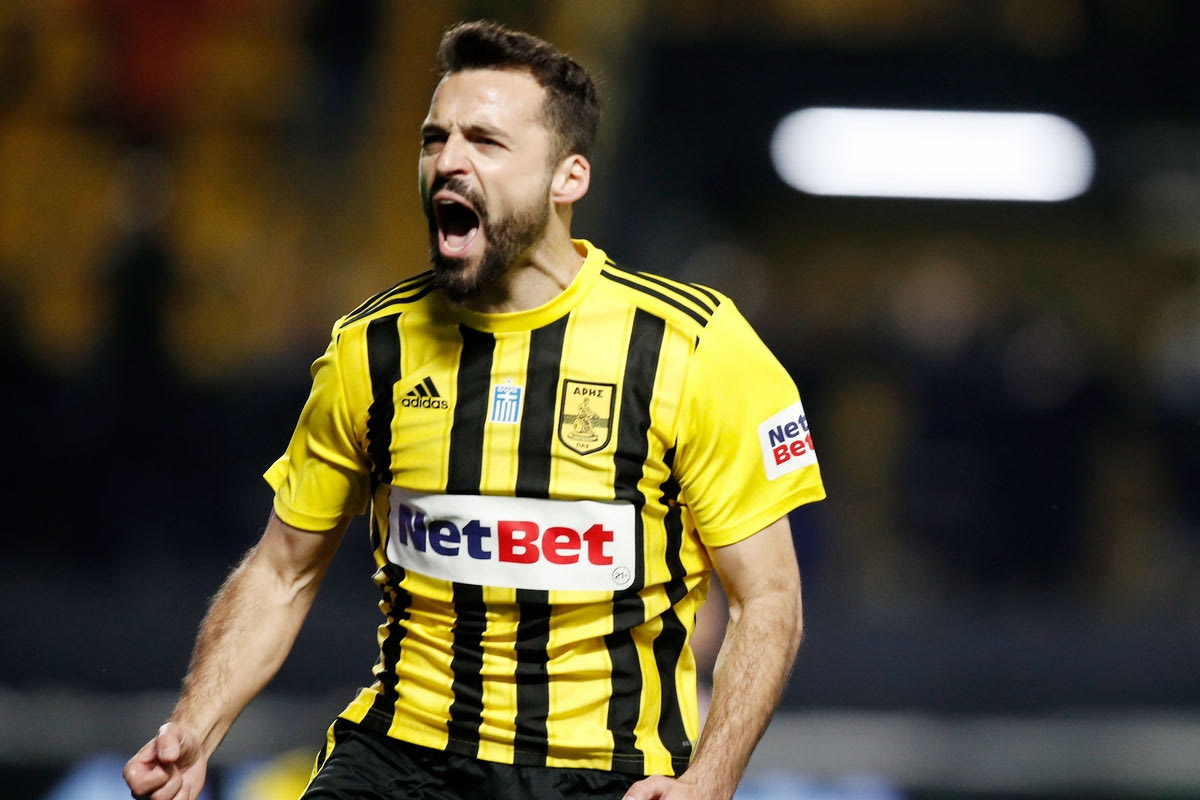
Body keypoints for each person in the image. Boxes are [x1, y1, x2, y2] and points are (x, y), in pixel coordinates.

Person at [123, 20, 825, 800]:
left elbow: (770, 598)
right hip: (400, 761)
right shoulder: (371, 348)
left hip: (602, 775)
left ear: (568, 178)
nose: (448, 161)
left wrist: (711, 779)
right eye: (435, 139)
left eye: (485, 141)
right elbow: (282, 570)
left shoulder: (691, 347)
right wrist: (195, 727)